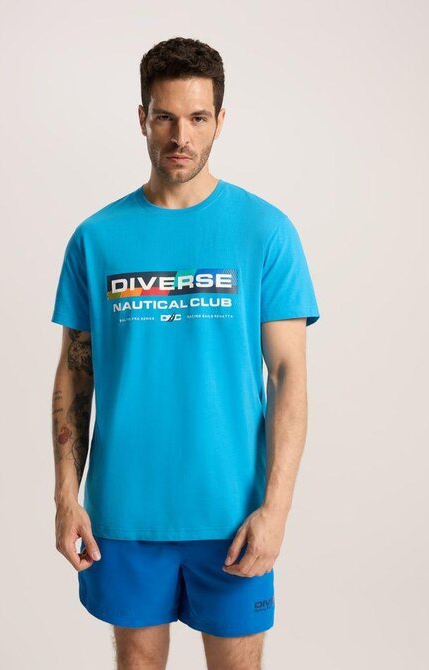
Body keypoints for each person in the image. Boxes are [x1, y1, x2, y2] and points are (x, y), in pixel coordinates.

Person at [50, 36, 321, 670]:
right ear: (142, 118)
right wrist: (66, 495)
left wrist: (277, 508)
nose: (181, 136)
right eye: (165, 117)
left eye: (198, 118)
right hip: (124, 514)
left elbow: (288, 375)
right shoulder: (96, 238)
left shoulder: (265, 231)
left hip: (233, 515)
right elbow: (75, 376)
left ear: (220, 120)